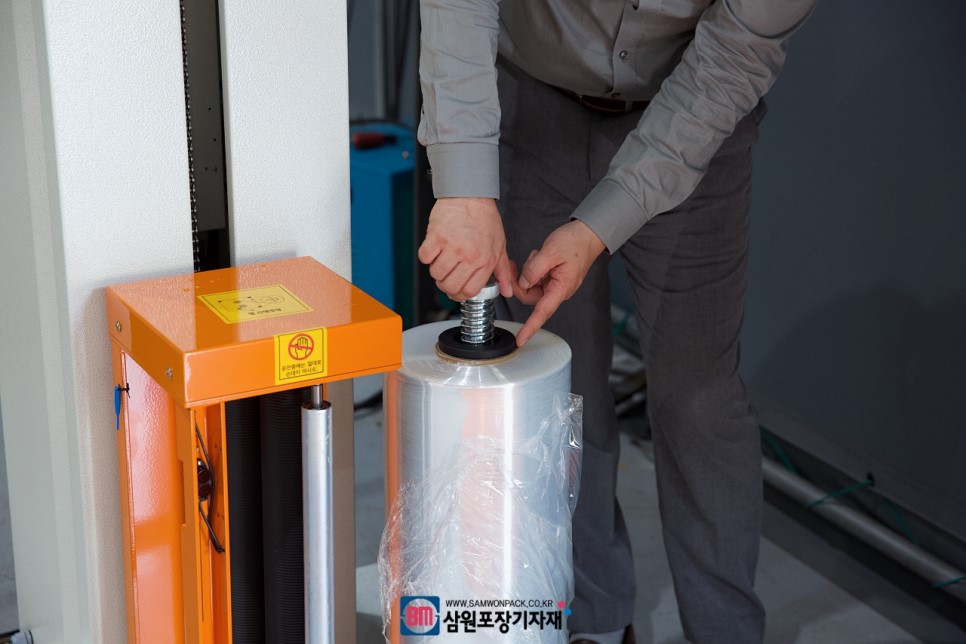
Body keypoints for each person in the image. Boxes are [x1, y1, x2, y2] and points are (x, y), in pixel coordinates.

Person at [416, 2, 817, 642]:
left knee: (698, 401)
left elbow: (731, 61)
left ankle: (726, 631)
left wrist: (599, 224)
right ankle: (592, 619)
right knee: (560, 393)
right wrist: (464, 188)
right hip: (533, 105)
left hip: (692, 123)